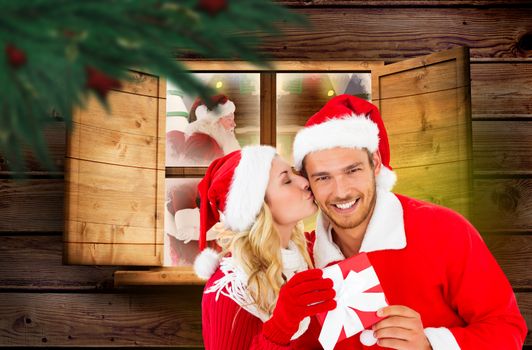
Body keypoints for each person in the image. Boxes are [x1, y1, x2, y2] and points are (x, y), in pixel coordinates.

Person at [290, 94, 527, 349]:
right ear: (309, 183)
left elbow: (506, 329)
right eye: (323, 178)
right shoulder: (302, 258)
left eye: (352, 170)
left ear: (376, 164)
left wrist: (430, 344)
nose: (341, 191)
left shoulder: (445, 230)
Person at [194, 145, 337, 349]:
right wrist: (280, 328)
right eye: (286, 180)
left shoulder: (306, 256)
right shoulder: (229, 292)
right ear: (258, 208)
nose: (305, 182)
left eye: (295, 173)